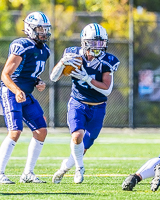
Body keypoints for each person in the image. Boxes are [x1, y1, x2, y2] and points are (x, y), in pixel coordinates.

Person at [50, 23, 120, 184]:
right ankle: (79, 168)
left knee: (84, 146)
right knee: (77, 136)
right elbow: (53, 78)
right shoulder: (72, 54)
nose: (98, 47)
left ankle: (64, 167)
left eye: (101, 43)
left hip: (98, 107)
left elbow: (107, 90)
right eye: (94, 43)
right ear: (84, 42)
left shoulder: (107, 61)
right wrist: (61, 63)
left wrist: (87, 78)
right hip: (78, 103)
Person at [0, 11, 51, 184]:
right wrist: (16, 91)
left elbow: (29, 73)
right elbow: (5, 74)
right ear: (30, 29)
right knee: (15, 131)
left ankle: (28, 173)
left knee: (41, 131)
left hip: (25, 94)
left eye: (45, 29)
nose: (43, 32)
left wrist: (38, 82)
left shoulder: (45, 50)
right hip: (11, 91)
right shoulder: (21, 45)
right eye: (40, 29)